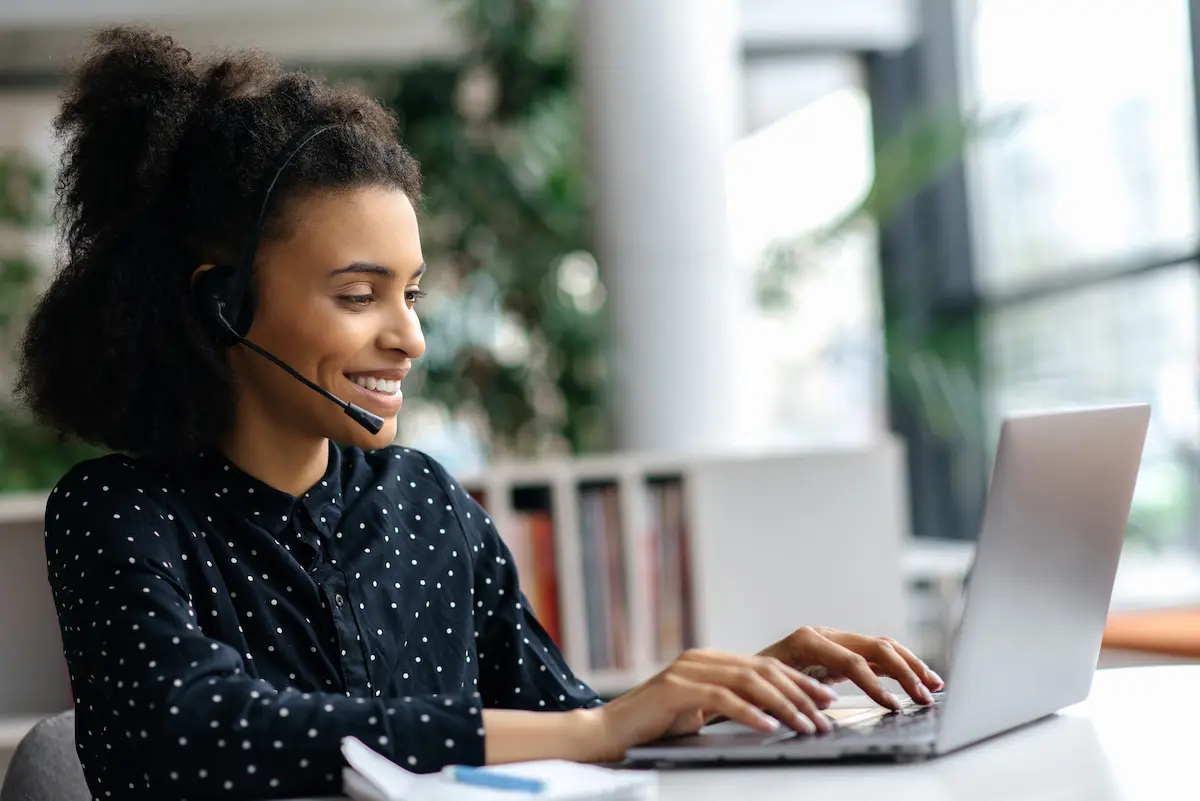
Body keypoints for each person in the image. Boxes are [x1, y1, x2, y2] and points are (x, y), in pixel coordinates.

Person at [16, 27, 943, 801]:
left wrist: (729, 695)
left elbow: (563, 725)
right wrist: (597, 724)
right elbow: (193, 731)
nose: (409, 339)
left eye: (412, 294)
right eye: (358, 295)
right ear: (222, 304)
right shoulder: (117, 513)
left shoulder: (426, 502)